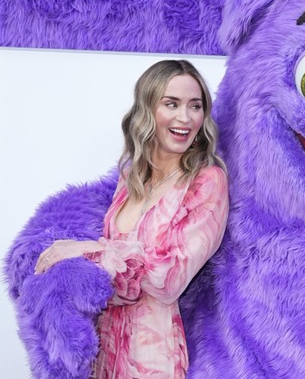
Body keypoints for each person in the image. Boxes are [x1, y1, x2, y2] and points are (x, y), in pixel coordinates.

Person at [33, 60, 229, 378]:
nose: (186, 117)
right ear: (148, 109)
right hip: (103, 351)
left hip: (151, 359)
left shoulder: (207, 181)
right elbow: (113, 271)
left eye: (195, 106)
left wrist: (85, 249)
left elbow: (168, 279)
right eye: (172, 104)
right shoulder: (132, 176)